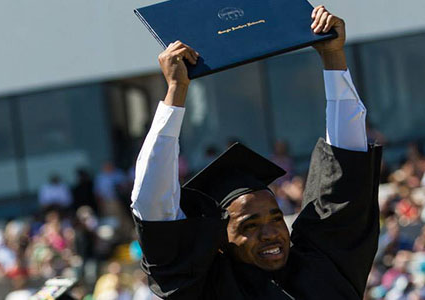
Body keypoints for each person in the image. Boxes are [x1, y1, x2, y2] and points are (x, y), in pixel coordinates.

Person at [130, 8, 381, 299]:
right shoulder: (208, 290)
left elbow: (347, 168)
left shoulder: (323, 266)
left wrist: (333, 57)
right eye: (249, 225)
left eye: (275, 218)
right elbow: (152, 207)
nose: (270, 233)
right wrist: (176, 92)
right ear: (221, 240)